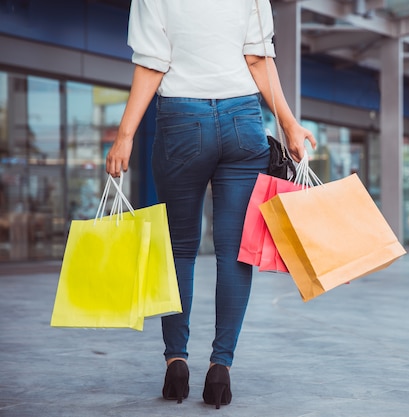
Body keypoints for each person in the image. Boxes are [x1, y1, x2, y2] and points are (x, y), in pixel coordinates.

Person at [105, 0, 316, 408]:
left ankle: (176, 362)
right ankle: (221, 368)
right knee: (234, 251)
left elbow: (152, 63)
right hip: (243, 119)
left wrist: (125, 135)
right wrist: (289, 123)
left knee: (179, 249)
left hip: (182, 119)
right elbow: (258, 59)